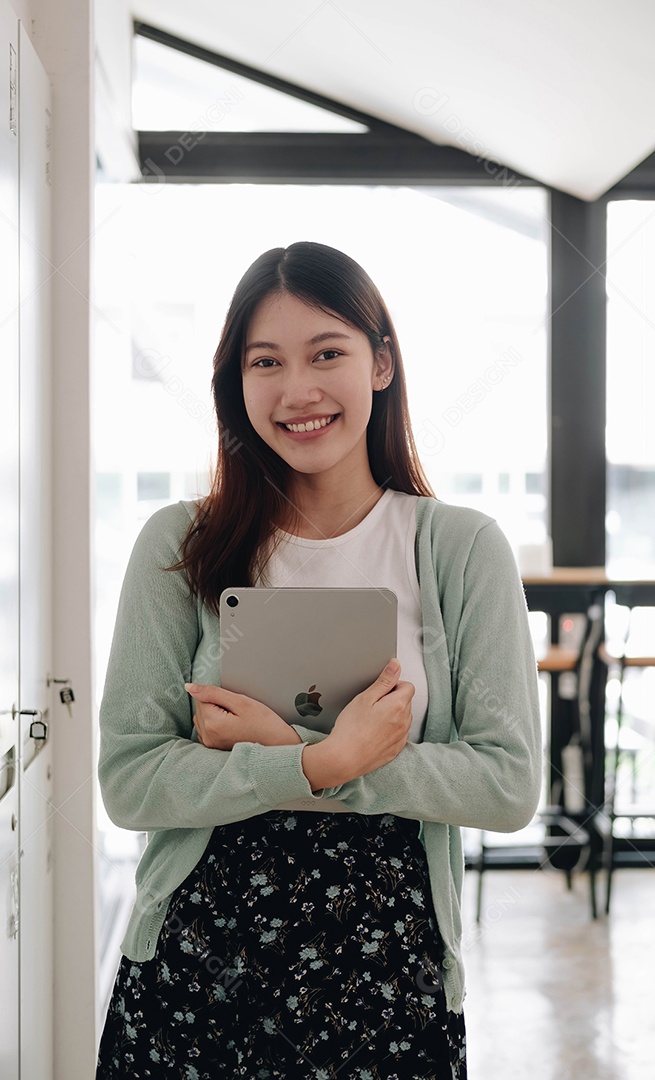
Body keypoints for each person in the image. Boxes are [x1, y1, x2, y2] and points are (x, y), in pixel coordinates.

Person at [96, 241, 542, 1079]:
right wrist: (322, 759)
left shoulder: (457, 549)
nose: (296, 390)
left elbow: (507, 783)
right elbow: (130, 780)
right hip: (194, 974)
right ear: (237, 385)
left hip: (388, 980)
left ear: (379, 364)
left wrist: (307, 761)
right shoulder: (181, 545)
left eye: (326, 353)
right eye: (264, 362)